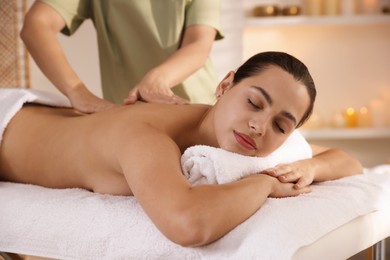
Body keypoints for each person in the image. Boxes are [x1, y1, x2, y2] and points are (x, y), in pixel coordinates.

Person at [0, 52, 362, 247]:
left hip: (47, 118)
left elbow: (347, 160)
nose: (260, 126)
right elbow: (189, 225)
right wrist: (266, 183)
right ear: (225, 85)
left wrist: (311, 169)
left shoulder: (225, 131)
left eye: (281, 126)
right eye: (253, 103)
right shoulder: (147, 135)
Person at [20, 0, 224, 113]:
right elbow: (36, 25)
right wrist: (77, 93)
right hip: (127, 117)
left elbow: (199, 43)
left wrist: (155, 81)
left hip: (197, 109)